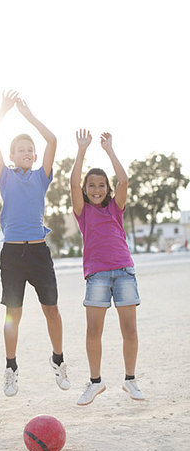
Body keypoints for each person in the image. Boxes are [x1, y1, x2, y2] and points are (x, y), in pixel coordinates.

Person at [0, 90, 70, 397]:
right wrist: (2, 110)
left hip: (38, 252)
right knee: (13, 313)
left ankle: (58, 360)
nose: (26, 151)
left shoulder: (41, 177)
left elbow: (52, 142)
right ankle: (11, 367)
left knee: (52, 309)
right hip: (12, 254)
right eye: (20, 148)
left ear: (34, 156)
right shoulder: (4, 177)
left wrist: (27, 115)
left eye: (29, 149)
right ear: (12, 156)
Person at [70, 129, 144, 405]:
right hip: (97, 276)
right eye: (92, 185)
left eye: (101, 185)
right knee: (93, 332)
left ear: (108, 189)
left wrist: (109, 150)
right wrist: (81, 150)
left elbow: (124, 179)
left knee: (130, 330)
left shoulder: (115, 208)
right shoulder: (82, 212)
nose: (97, 189)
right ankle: (95, 382)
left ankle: (130, 380)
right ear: (86, 190)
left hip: (124, 271)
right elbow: (72, 181)